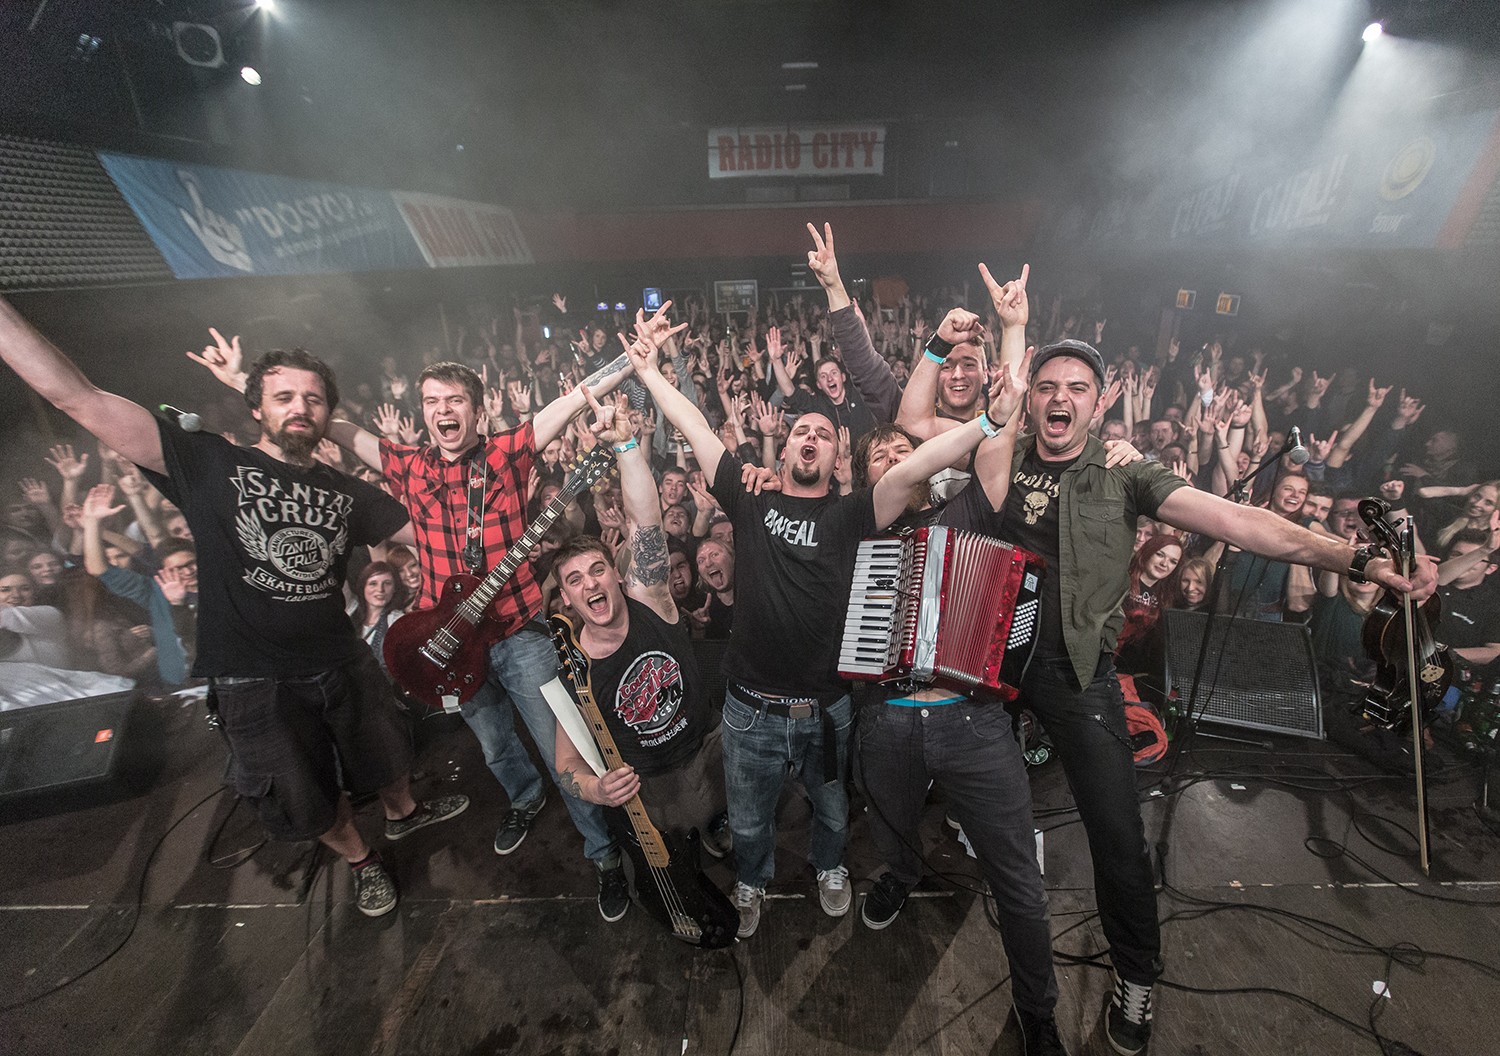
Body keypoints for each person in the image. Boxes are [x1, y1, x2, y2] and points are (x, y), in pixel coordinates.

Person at [957, 334, 1435, 1055]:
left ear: (1100, 402)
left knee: (1119, 838)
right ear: (1031, 397)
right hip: (990, 663)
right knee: (952, 782)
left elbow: (1239, 521)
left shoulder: (1127, 472)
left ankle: (1136, 975)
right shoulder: (1004, 452)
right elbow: (918, 435)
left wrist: (1354, 557)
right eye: (1047, 386)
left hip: (1076, 675)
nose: (1060, 398)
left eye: (1077, 388)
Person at [0, 297, 468, 919]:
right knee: (301, 791)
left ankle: (403, 812)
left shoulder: (345, 491)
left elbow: (439, 536)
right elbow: (76, 398)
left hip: (341, 657)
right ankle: (362, 859)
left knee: (385, 751)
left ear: (328, 414)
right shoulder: (209, 462)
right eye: (284, 396)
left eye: (313, 399)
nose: (300, 407)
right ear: (256, 408)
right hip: (254, 677)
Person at [188, 319, 640, 920]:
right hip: (453, 640)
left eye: (455, 400)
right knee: (494, 743)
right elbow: (323, 422)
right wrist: (245, 383)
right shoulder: (405, 464)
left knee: (566, 748)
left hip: (519, 630)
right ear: (422, 411)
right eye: (432, 401)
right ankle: (524, 799)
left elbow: (577, 396)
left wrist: (636, 357)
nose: (443, 410)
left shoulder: (507, 451)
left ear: (478, 411)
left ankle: (603, 853)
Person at [628, 300, 1031, 945]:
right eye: (800, 432)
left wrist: (988, 421)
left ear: (836, 450)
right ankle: (752, 879)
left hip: (826, 708)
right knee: (750, 818)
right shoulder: (749, 496)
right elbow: (696, 425)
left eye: (822, 432)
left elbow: (916, 467)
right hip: (749, 708)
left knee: (833, 809)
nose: (810, 438)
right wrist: (649, 372)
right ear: (785, 446)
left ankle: (830, 867)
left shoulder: (852, 515)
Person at [549, 386, 730, 921]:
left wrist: (627, 446)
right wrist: (595, 788)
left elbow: (646, 520)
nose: (590, 584)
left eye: (597, 570)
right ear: (567, 599)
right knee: (678, 860)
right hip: (650, 786)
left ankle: (718, 823)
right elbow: (565, 762)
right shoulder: (574, 663)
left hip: (706, 750)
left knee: (732, 822)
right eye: (575, 580)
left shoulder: (650, 597)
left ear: (617, 573)